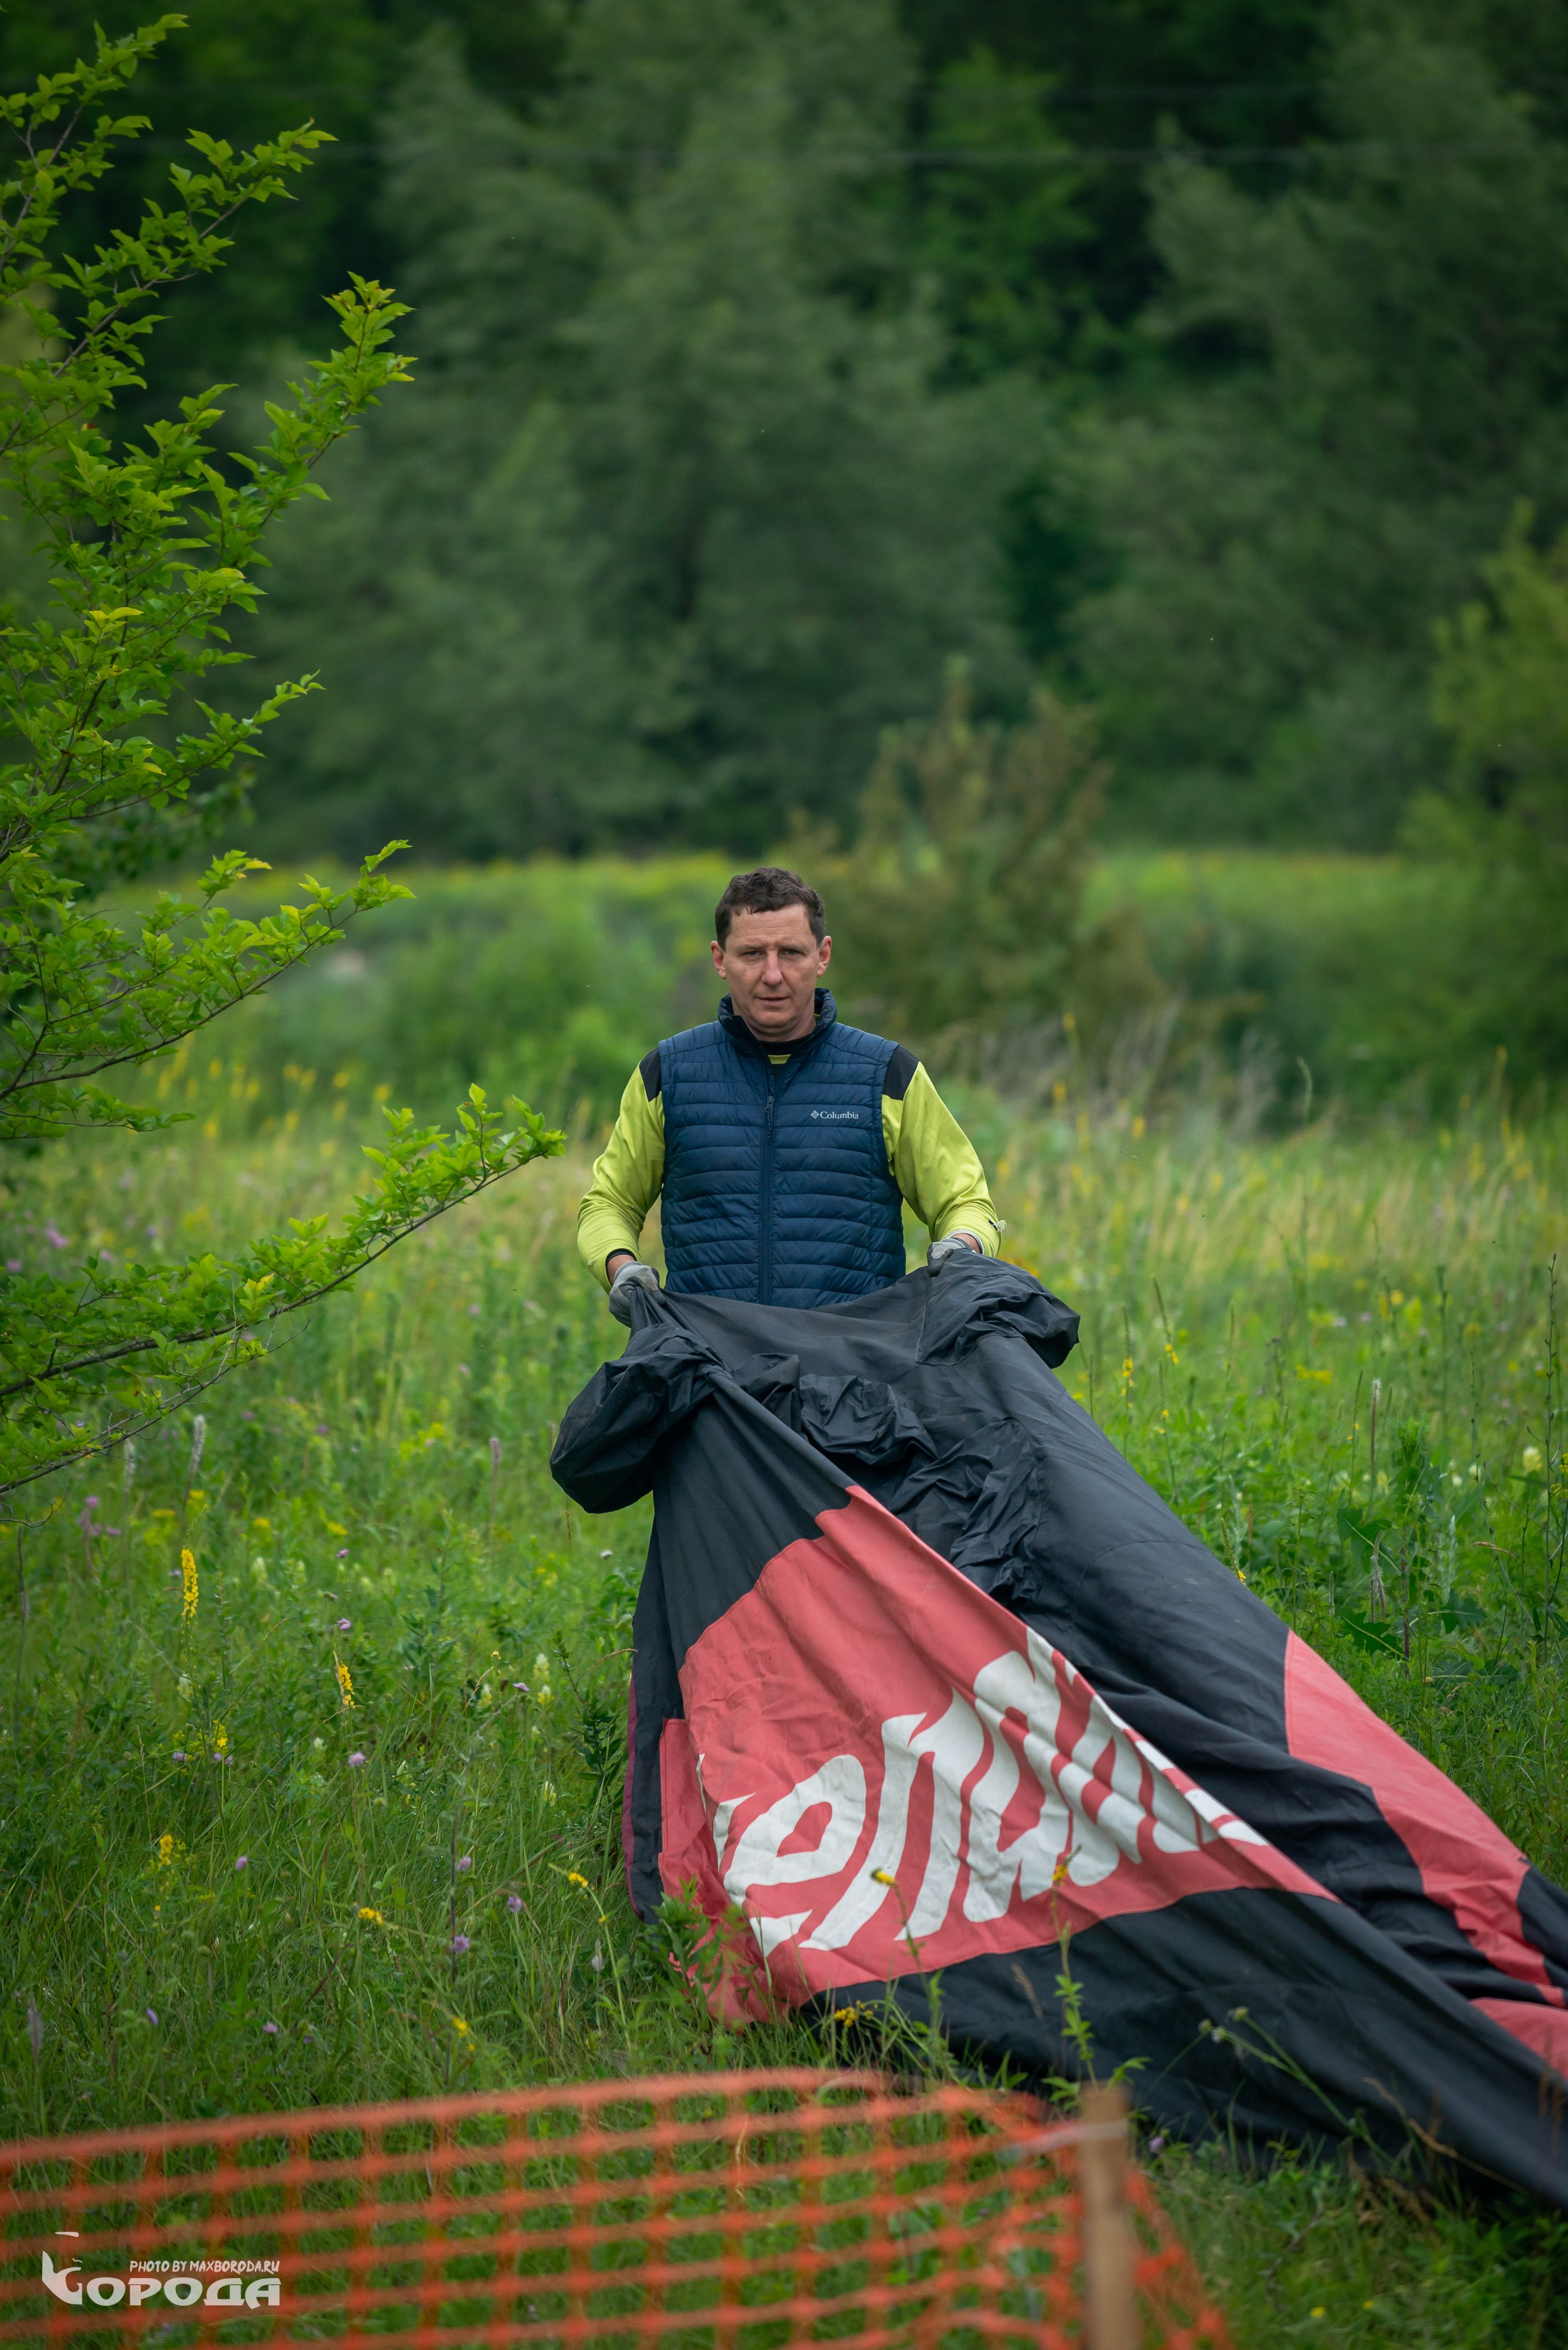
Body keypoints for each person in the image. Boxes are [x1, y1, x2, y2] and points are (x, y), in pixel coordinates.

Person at [577, 865, 1000, 1318]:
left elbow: (965, 1202)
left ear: (823, 955)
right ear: (720, 960)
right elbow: (610, 1203)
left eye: (792, 953)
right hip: (706, 1368)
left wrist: (962, 1245)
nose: (773, 974)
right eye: (753, 953)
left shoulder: (888, 1074)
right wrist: (619, 1266)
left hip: (854, 1368)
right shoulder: (667, 1073)